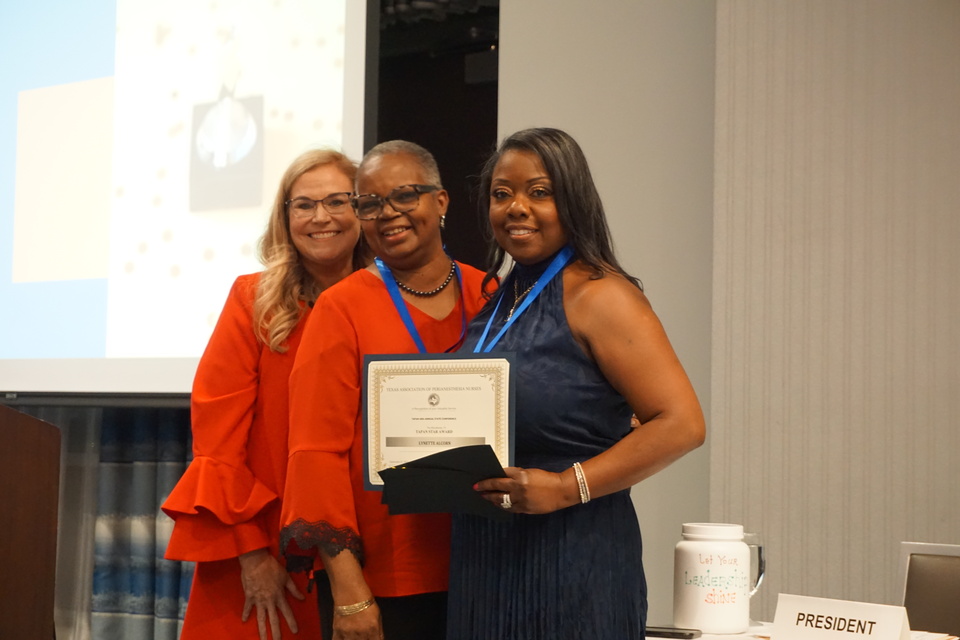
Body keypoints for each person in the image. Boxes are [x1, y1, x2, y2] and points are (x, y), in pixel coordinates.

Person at [447, 127, 706, 639]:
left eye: (539, 192)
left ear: (572, 200)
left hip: (572, 554)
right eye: (502, 194)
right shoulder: (501, 299)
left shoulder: (602, 296)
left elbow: (683, 424)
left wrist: (566, 487)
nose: (516, 207)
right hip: (486, 556)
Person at [279, 140, 492, 640]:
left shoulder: (491, 295)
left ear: (441, 201)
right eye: (370, 203)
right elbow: (315, 455)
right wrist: (349, 590)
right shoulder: (340, 308)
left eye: (405, 195)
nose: (388, 213)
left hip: (487, 563)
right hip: (383, 577)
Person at [162, 148, 367, 640]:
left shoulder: (387, 300)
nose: (321, 217)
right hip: (265, 549)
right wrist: (252, 555)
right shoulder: (252, 301)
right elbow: (218, 441)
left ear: (363, 209)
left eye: (337, 201)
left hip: (364, 541)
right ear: (285, 217)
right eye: (304, 205)